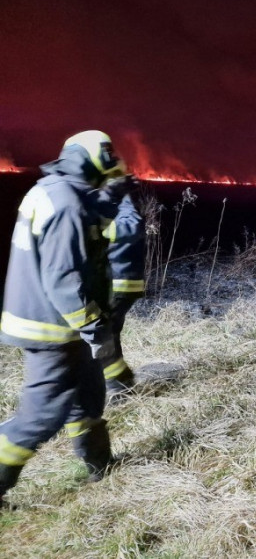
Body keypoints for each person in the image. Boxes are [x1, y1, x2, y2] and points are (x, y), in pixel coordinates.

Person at [0, 130, 123, 507]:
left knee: (87, 398)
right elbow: (65, 279)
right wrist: (95, 328)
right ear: (86, 156)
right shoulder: (66, 202)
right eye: (107, 152)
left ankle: (101, 466)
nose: (113, 158)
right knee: (41, 417)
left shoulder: (54, 189)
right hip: (51, 329)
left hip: (61, 326)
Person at [98, 190, 146, 400]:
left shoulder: (119, 202)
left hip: (117, 284)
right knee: (107, 335)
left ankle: (118, 389)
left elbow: (132, 224)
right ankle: (118, 385)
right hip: (116, 284)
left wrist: (95, 230)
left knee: (103, 336)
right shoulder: (101, 200)